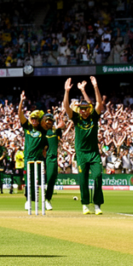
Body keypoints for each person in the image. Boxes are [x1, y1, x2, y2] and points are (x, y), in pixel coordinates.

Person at [63, 76, 105, 215]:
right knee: (83, 179)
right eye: (81, 109)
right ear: (79, 110)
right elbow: (65, 107)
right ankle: (85, 204)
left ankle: (97, 204)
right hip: (81, 153)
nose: (83, 111)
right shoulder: (76, 118)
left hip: (93, 153)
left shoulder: (93, 117)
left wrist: (95, 86)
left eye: (86, 108)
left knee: (98, 176)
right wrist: (67, 92)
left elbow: (99, 102)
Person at [42, 112, 61, 210]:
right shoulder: (40, 132)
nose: (48, 123)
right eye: (47, 121)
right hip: (39, 158)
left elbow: (61, 128)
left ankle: (47, 199)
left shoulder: (56, 132)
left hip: (51, 158)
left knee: (51, 179)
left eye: (50, 121)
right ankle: (30, 199)